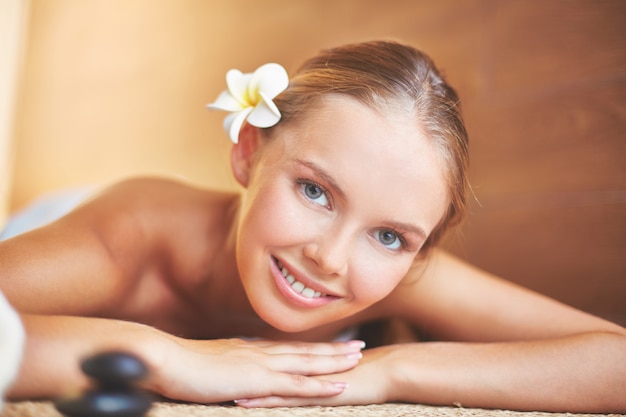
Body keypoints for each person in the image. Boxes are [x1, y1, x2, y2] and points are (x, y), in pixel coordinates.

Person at [1, 40, 625, 413]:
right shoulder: (126, 240)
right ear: (248, 149)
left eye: (390, 236)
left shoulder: (396, 273)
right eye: (314, 191)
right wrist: (165, 357)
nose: (330, 257)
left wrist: (391, 371)